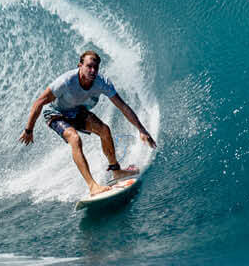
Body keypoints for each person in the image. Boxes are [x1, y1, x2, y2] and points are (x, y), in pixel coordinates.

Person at [19, 50, 157, 196]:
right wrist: (29, 129)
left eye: (95, 68)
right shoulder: (66, 81)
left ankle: (116, 171)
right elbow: (40, 101)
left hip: (77, 111)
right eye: (89, 66)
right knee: (75, 138)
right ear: (80, 65)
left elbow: (123, 106)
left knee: (104, 130)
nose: (92, 70)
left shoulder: (102, 83)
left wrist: (142, 130)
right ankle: (93, 186)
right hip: (56, 113)